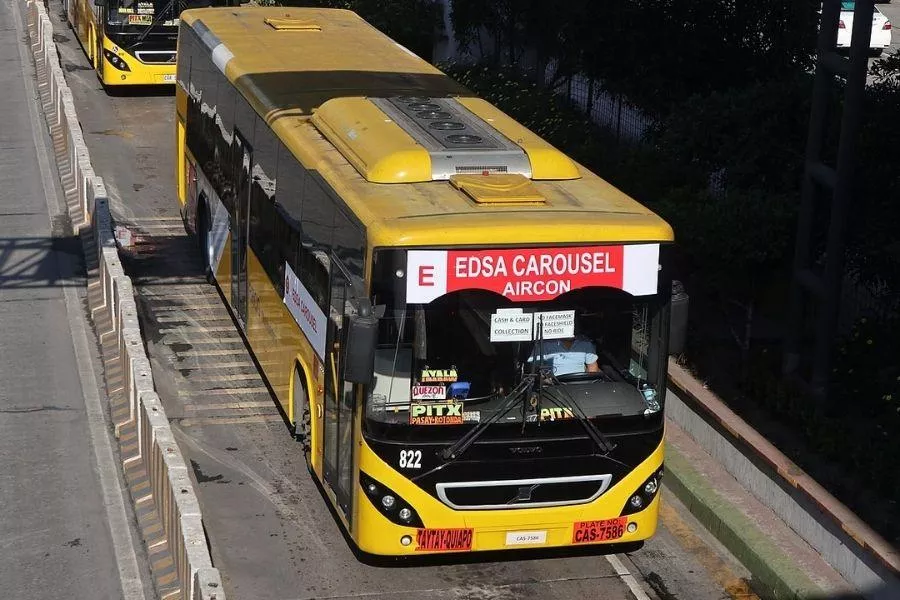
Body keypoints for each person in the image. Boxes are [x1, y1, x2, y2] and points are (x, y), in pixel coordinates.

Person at [527, 334, 600, 377]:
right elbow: (534, 368)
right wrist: (545, 379)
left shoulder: (585, 343)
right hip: (553, 386)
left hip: (580, 385)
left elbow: (592, 368)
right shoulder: (544, 344)